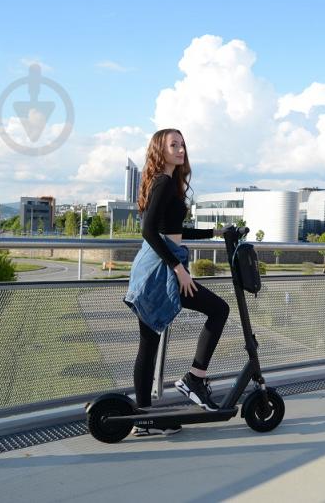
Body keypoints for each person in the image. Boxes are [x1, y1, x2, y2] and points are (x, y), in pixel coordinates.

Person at [126, 128, 230, 436]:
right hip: (161, 269)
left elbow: (174, 230)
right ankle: (194, 379)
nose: (181, 149)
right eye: (174, 144)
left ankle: (144, 419)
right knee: (219, 309)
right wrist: (178, 269)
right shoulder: (162, 181)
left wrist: (216, 234)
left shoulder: (169, 184)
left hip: (162, 265)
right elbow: (148, 231)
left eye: (182, 144)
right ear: (160, 149)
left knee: (150, 340)